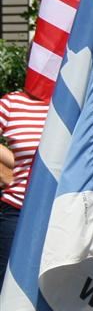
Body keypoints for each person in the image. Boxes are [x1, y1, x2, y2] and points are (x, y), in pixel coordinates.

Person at [0, 88, 49, 275]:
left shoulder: (75, 104)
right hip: (17, 211)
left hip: (61, 213)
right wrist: (8, 168)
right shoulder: (12, 103)